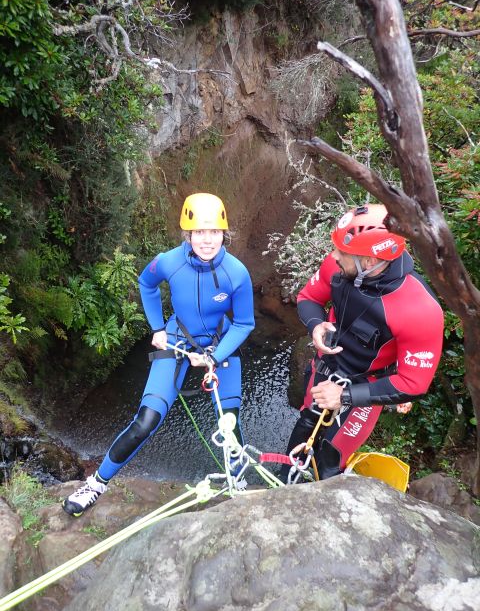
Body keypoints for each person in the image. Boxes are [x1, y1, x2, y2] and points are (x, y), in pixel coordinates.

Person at [63, 192, 255, 515]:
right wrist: (157, 328)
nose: (207, 240)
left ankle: (238, 485)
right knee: (145, 420)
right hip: (178, 339)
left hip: (219, 343)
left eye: (214, 232)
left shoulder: (237, 274)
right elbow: (146, 283)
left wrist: (212, 356)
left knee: (230, 426)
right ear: (188, 234)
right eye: (199, 232)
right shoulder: (170, 261)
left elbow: (244, 323)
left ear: (224, 233)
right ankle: (96, 483)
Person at [281, 203, 444, 483]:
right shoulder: (339, 265)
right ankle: (282, 492)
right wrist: (315, 324)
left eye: (342, 253)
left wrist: (343, 397)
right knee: (303, 432)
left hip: (364, 390)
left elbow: (414, 383)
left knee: (330, 460)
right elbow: (309, 298)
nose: (333, 256)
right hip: (324, 370)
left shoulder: (420, 310)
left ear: (369, 261)